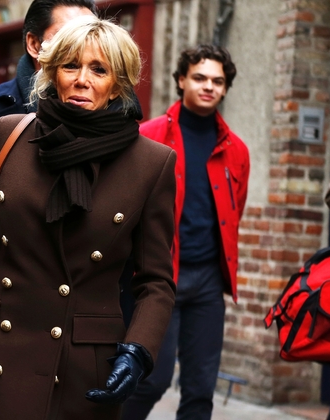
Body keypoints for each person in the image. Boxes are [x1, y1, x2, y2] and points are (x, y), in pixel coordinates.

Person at [0, 15, 177, 419]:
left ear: (119, 83)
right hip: (2, 346)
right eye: (71, 66)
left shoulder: (151, 164)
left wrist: (138, 351)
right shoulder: (11, 133)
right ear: (51, 73)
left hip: (84, 363)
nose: (83, 79)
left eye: (99, 69)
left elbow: (155, 281)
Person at [0, 0, 97, 360]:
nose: (80, 48)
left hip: (79, 307)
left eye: (89, 36)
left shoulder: (116, 121)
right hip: (1, 296)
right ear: (34, 45)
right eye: (66, 38)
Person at [121, 44, 250, 420]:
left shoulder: (236, 150)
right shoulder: (148, 136)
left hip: (208, 281)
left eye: (217, 81)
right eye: (200, 78)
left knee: (200, 389)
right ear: (181, 80)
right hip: (158, 276)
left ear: (225, 88)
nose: (208, 86)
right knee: (151, 379)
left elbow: (233, 213)